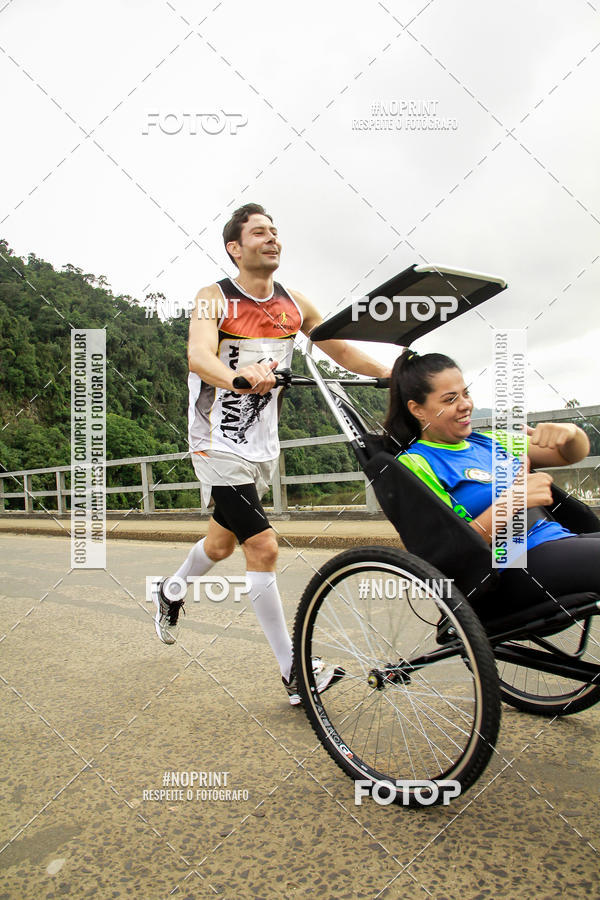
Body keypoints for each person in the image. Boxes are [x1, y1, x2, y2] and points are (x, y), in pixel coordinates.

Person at [152, 202, 392, 705]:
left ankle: (171, 590)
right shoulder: (212, 298)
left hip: (262, 442)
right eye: (259, 232)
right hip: (215, 439)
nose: (272, 238)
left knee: (220, 546)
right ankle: (294, 673)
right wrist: (237, 377)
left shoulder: (295, 304)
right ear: (234, 248)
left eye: (275, 232)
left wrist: (393, 374)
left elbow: (342, 351)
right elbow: (198, 355)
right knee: (262, 547)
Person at [382, 348, 597, 611]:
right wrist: (514, 500)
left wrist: (571, 434)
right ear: (418, 410)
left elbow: (570, 454)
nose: (465, 405)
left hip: (554, 540)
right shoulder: (416, 463)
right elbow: (449, 551)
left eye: (466, 393)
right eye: (450, 400)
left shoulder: (490, 442)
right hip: (504, 570)